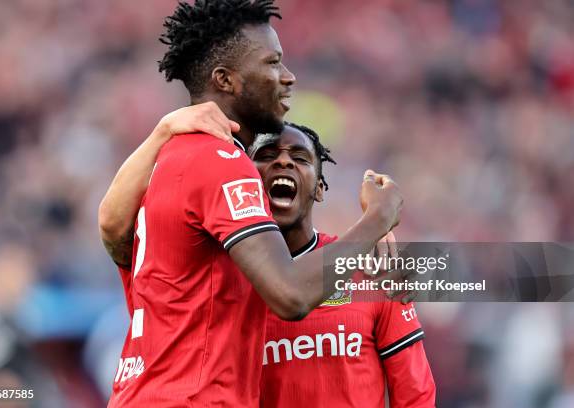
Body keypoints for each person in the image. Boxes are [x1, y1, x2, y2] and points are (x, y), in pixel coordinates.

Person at [99, 1, 402, 406]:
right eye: (273, 63)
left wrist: (162, 129)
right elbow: (290, 295)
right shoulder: (222, 161)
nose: (288, 77)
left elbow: (111, 230)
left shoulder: (166, 159)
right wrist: (377, 218)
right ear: (226, 80)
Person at [101, 121, 434, 407]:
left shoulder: (372, 269)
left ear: (319, 188)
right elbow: (115, 228)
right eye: (266, 155)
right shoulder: (211, 275)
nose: (284, 163)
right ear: (244, 178)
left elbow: (415, 392)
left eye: (300, 158)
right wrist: (165, 129)